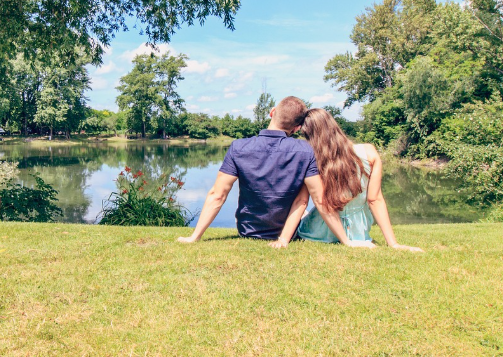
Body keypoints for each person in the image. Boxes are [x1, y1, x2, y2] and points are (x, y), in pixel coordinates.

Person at [176, 96, 372, 246]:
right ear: (296, 128)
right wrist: (347, 242)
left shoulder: (238, 147)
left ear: (272, 112)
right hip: (289, 232)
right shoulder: (305, 151)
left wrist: (195, 236)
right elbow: (317, 200)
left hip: (248, 231)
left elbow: (217, 196)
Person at [268, 108, 423, 251]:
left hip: (318, 232)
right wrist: (393, 244)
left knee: (304, 211)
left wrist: (283, 239)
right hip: (357, 233)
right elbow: (375, 200)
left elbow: (301, 201)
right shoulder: (369, 152)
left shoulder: (311, 159)